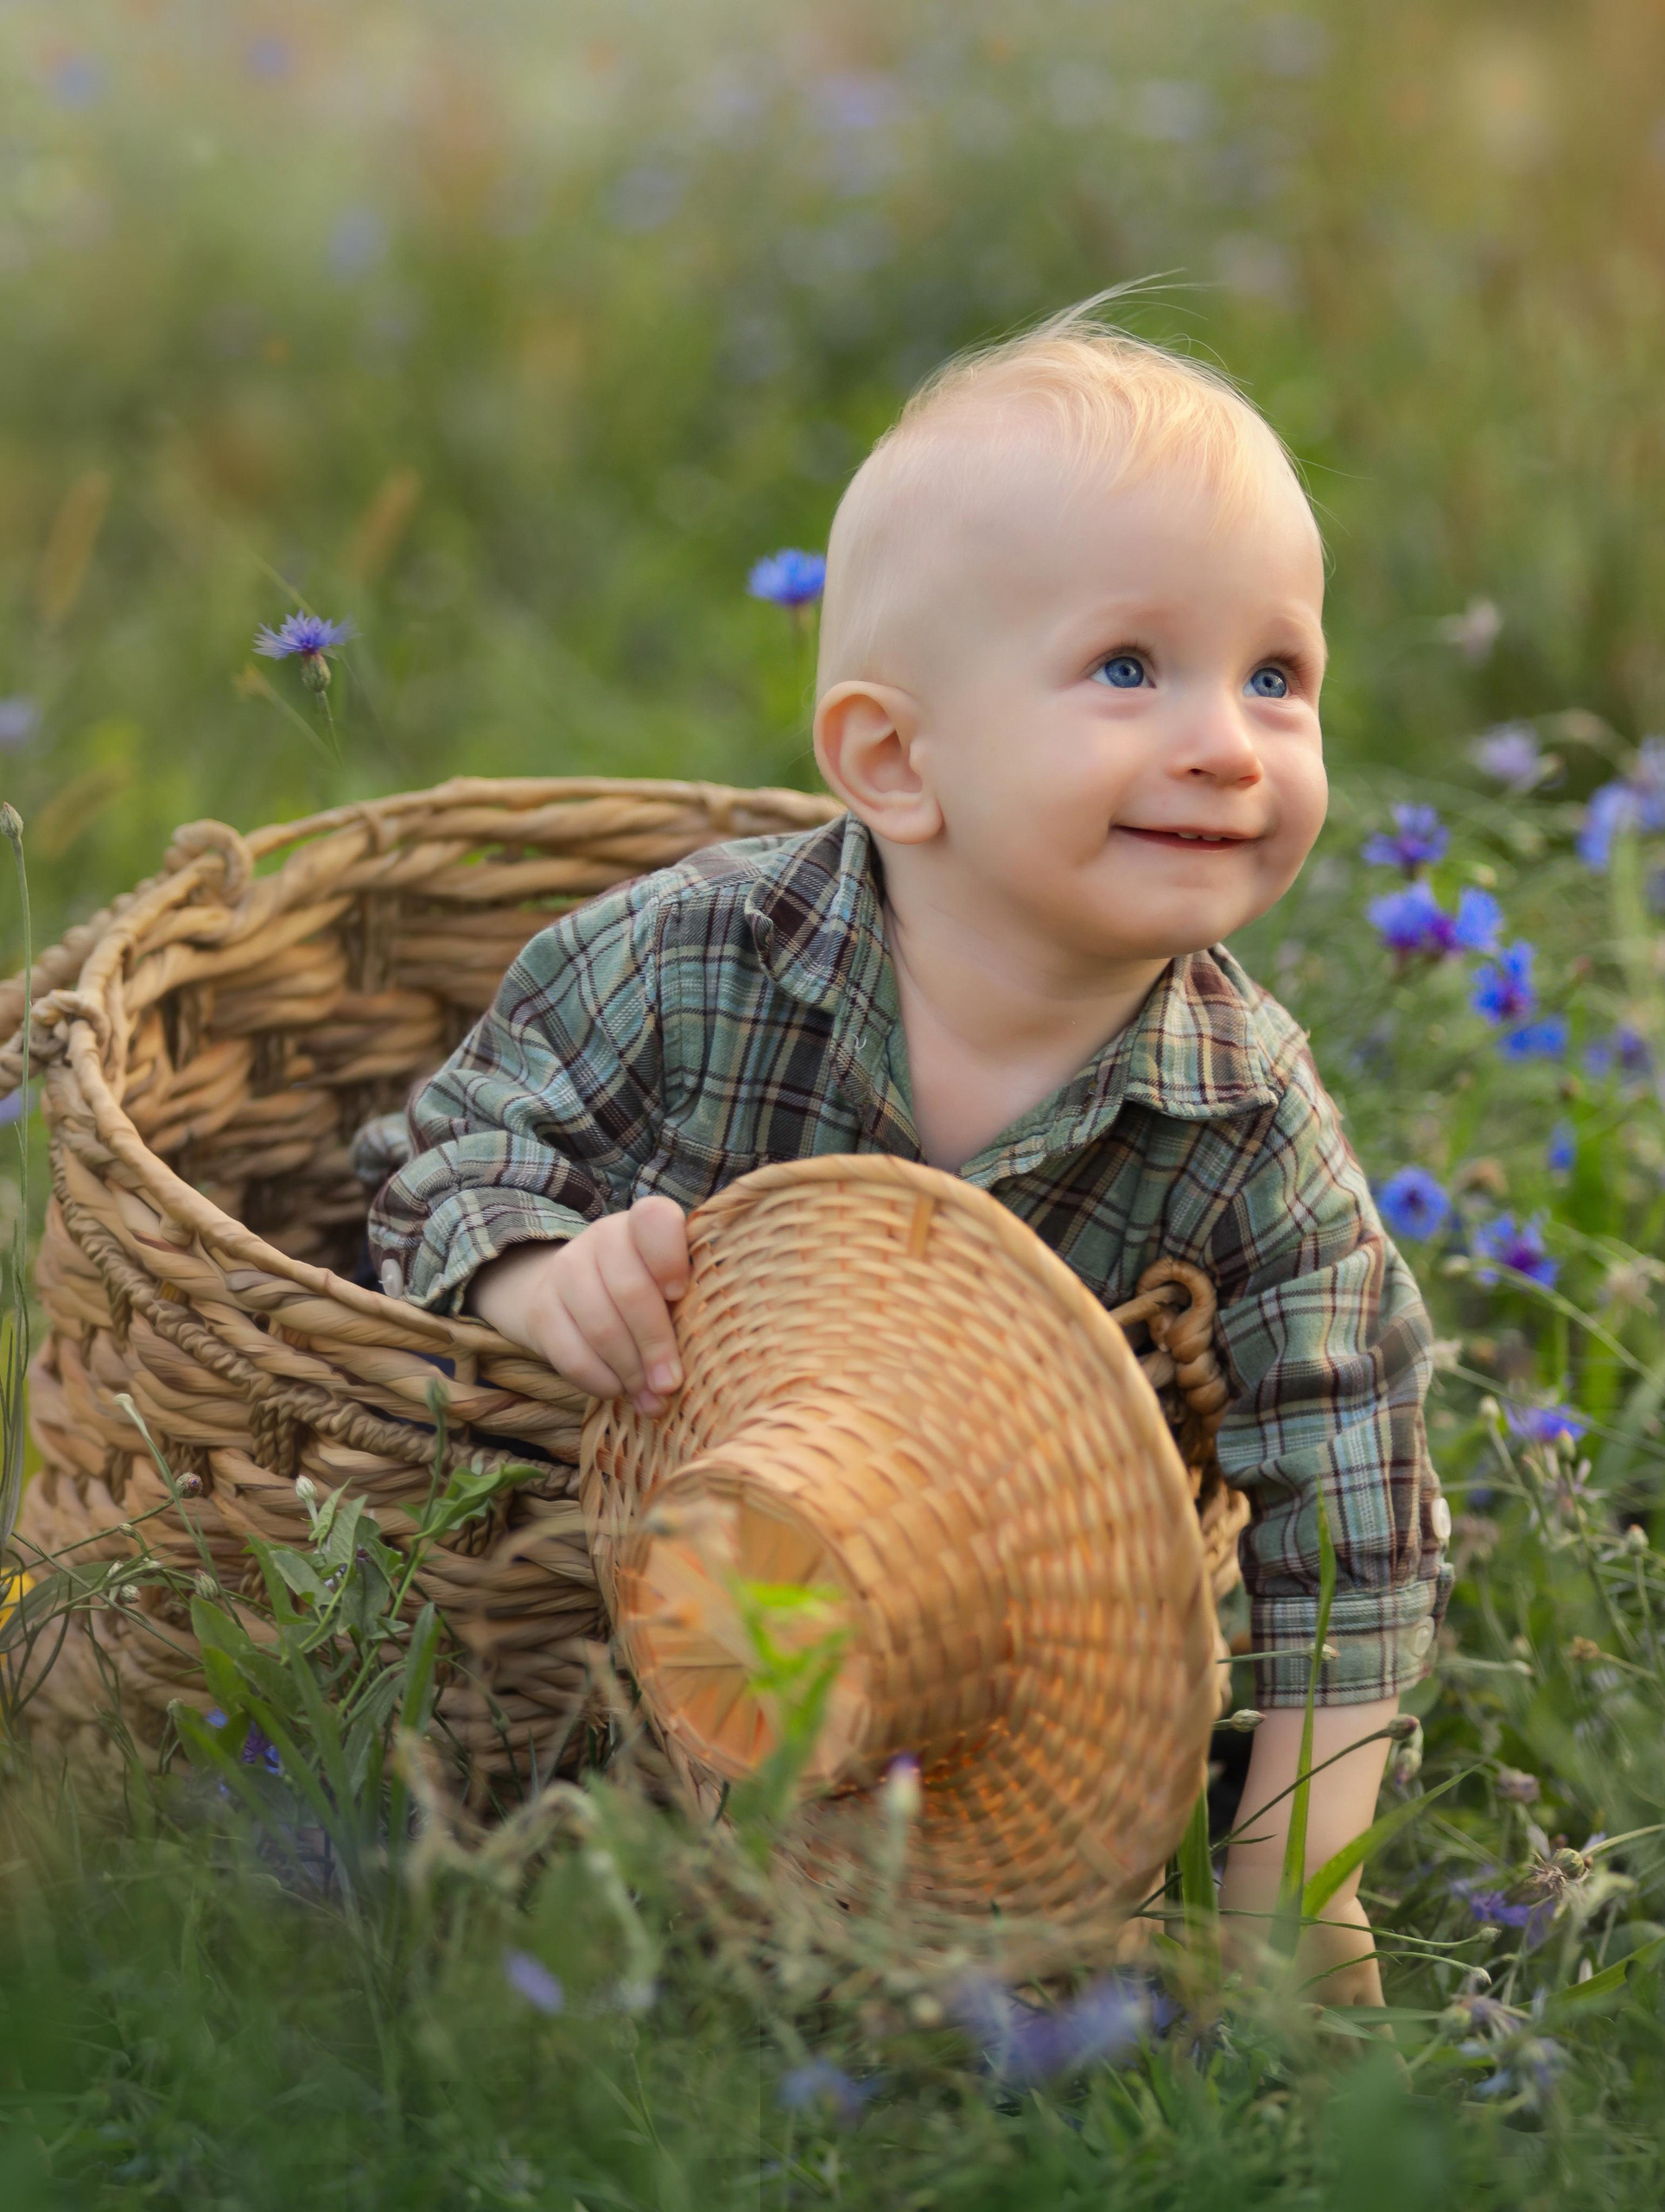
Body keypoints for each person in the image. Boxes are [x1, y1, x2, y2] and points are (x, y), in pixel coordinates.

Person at [371, 302, 1450, 2001]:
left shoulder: (1244, 1125)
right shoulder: (685, 961)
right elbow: (443, 1140)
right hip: (630, 1608)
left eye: (1274, 674)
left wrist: (1290, 1884)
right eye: (1126, 666)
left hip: (978, 1711)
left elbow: (1352, 1499)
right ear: (894, 756)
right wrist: (531, 1264)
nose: (1228, 742)